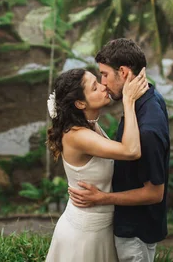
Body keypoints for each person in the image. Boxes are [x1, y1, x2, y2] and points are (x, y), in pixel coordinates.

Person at [68, 38, 171, 262]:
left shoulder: (146, 130)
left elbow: (155, 193)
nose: (103, 83)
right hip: (132, 225)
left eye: (104, 75)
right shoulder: (149, 99)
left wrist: (102, 198)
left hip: (135, 231)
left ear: (123, 72)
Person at [45, 67, 149, 262]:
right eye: (95, 88)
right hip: (83, 236)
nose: (103, 87)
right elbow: (131, 151)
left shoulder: (90, 125)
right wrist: (128, 101)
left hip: (100, 229)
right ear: (80, 103)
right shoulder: (77, 136)